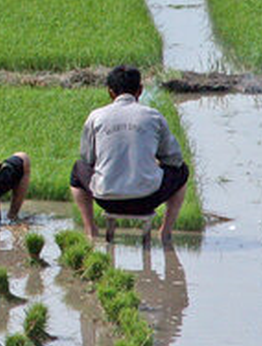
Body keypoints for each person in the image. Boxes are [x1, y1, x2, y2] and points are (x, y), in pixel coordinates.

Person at [70, 65, 188, 245]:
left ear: (110, 92)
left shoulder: (96, 117)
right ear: (140, 90)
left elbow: (87, 159)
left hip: (106, 199)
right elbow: (174, 159)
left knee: (77, 170)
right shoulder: (153, 116)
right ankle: (165, 231)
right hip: (148, 198)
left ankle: (90, 229)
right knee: (182, 171)